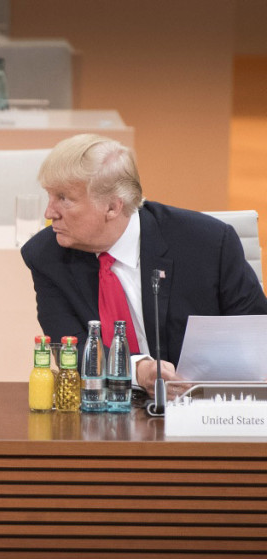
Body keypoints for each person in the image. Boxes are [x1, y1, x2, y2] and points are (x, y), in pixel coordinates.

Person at [20, 133, 267, 394]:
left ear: (113, 207)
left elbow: (255, 332)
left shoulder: (208, 243)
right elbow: (72, 348)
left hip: (202, 405)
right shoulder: (46, 255)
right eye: (49, 197)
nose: (49, 213)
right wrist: (137, 370)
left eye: (64, 198)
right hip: (104, 410)